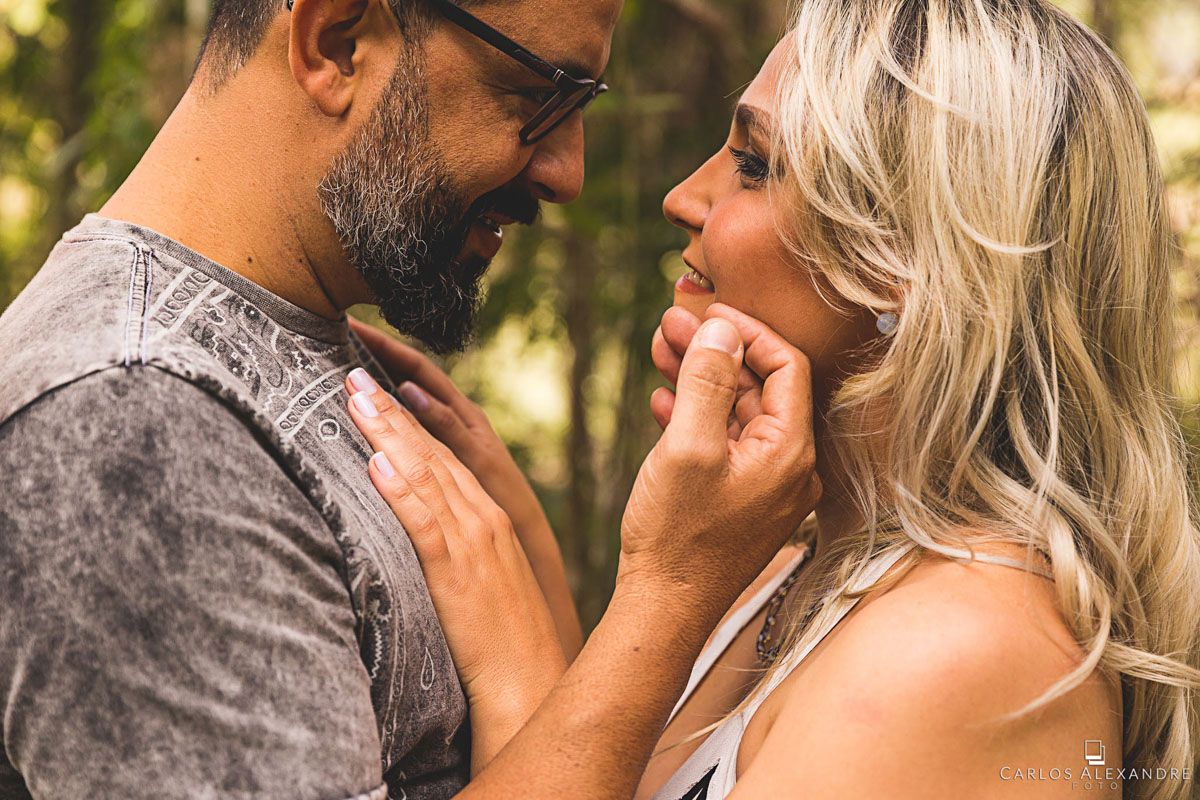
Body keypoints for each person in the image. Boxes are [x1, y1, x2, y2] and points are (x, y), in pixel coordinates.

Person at [347, 1, 1200, 798]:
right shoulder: (800, 560)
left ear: (905, 260)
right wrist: (522, 535)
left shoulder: (961, 654)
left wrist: (526, 658)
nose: (685, 197)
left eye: (753, 166)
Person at [0, 1, 827, 798]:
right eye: (539, 97)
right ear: (337, 40)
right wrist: (669, 591)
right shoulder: (137, 429)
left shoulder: (325, 358)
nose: (567, 172)